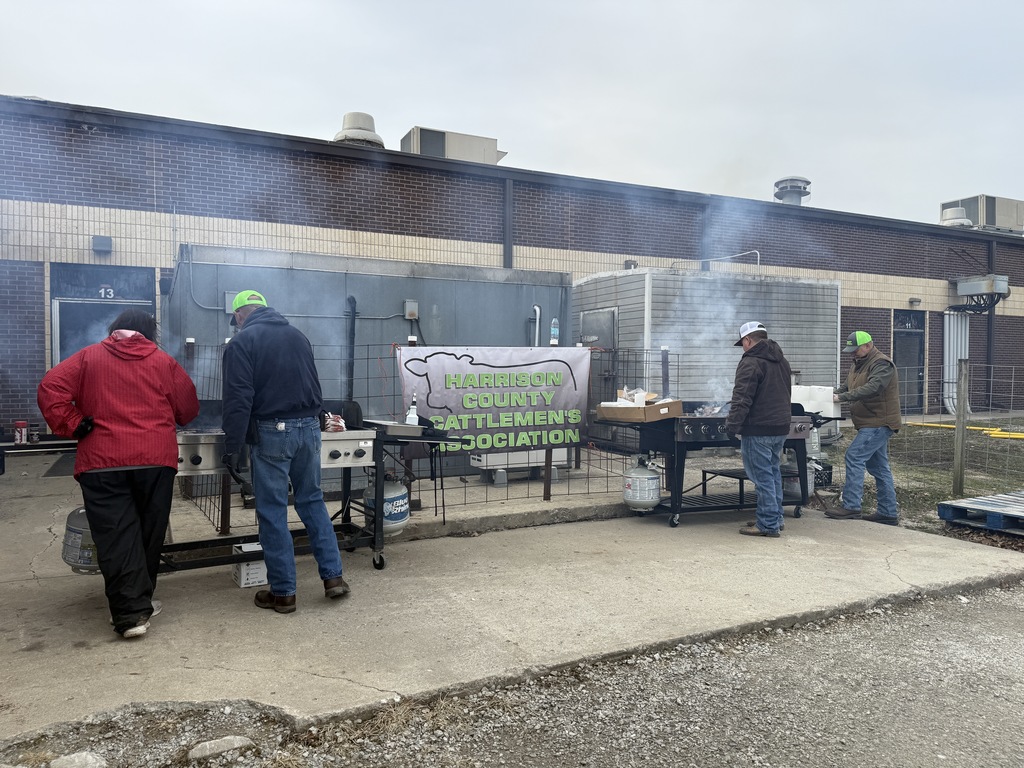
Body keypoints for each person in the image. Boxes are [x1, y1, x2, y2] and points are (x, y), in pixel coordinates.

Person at [37, 309, 199, 639]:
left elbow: (50, 387)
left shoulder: (87, 358)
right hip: (155, 460)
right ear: (148, 332)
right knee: (148, 533)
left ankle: (130, 613)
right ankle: (138, 606)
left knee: (115, 535)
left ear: (114, 330)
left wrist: (74, 423)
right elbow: (188, 408)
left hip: (102, 462)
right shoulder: (163, 361)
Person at [221, 289, 350, 614]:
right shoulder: (297, 336)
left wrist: (232, 446)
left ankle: (283, 593)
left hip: (272, 433)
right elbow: (314, 387)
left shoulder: (241, 343)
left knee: (273, 510)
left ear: (239, 316)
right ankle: (333, 578)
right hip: (309, 428)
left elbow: (238, 398)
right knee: (312, 500)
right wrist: (318, 420)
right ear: (266, 309)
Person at [725, 321, 793, 538]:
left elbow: (742, 398)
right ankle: (775, 517)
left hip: (758, 429)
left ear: (747, 341)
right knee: (772, 474)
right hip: (780, 427)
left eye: (742, 343)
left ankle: (768, 524)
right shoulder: (782, 361)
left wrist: (732, 425)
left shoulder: (751, 362)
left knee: (762, 477)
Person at [826, 331, 901, 525]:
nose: (852, 354)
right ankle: (888, 513)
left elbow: (874, 387)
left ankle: (851, 506)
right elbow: (846, 387)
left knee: (854, 456)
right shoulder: (858, 364)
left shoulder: (882, 364)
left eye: (855, 350)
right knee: (879, 467)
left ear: (868, 345)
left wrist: (842, 398)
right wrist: (826, 394)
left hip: (879, 422)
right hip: (869, 422)